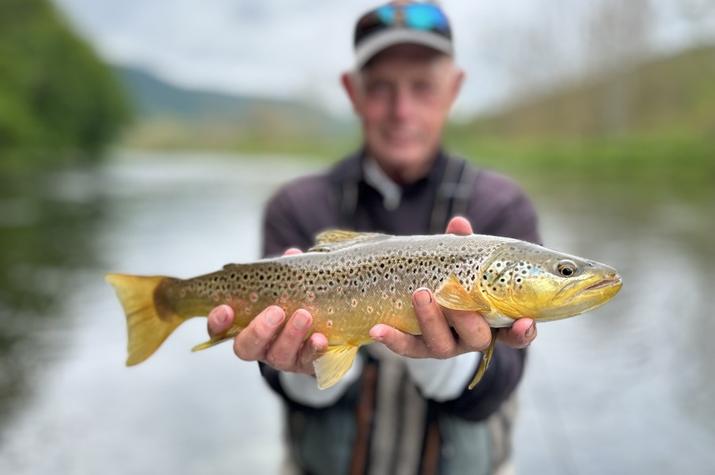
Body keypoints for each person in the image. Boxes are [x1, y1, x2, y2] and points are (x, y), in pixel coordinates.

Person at [208, 2, 540, 474]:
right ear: (353, 92)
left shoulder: (501, 208)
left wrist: (440, 352)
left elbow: (498, 386)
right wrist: (301, 370)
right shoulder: (297, 206)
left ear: (454, 89)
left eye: (422, 87)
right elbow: (284, 381)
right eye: (382, 87)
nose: (402, 110)